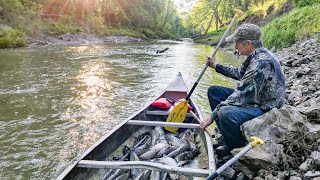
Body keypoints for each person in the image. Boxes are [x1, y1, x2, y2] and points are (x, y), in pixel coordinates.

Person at [199, 23, 286, 157]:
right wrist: (215, 66)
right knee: (214, 91)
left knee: (224, 112)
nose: (235, 46)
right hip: (256, 97)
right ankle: (225, 135)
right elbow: (239, 73)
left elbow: (240, 94)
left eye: (237, 43)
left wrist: (212, 116)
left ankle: (234, 148)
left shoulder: (260, 64)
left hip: (265, 106)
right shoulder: (256, 54)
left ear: (249, 43)